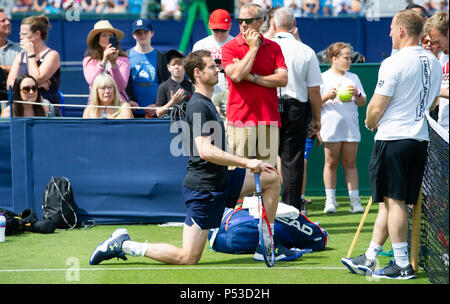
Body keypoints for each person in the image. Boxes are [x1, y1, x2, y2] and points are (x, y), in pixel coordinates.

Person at [89, 50, 302, 266]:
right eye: (211, 66)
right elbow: (205, 151)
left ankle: (266, 243)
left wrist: (252, 163)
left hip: (222, 180)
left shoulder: (208, 103)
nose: (217, 69)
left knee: (271, 178)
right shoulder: (199, 104)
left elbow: (223, 147)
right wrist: (247, 162)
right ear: (198, 73)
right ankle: (124, 245)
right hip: (205, 189)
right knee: (188, 257)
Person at [341, 9, 442, 280]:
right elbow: (432, 103)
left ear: (400, 31)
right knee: (390, 201)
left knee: (395, 202)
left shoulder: (394, 62)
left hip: (394, 138)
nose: (387, 33)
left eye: (391, 28)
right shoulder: (433, 61)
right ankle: (371, 256)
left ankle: (401, 264)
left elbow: (375, 107)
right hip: (418, 139)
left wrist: (370, 121)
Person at [221, 3, 288, 167]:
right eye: (240, 20)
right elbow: (236, 75)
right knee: (237, 173)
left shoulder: (274, 47)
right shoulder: (229, 47)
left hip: (268, 118)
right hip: (240, 118)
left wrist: (251, 77)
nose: (243, 25)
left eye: (249, 20)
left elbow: (283, 79)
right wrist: (253, 48)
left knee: (268, 173)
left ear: (260, 21)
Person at [271, 7, 322, 215]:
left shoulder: (265, 46)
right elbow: (314, 90)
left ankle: (266, 210)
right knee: (293, 162)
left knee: (264, 160)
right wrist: (317, 119)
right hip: (295, 109)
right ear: (294, 27)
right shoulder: (306, 50)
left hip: (269, 106)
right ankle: (291, 212)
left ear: (273, 25)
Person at [319, 42, 366, 214]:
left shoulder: (353, 78)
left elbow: (362, 102)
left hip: (350, 127)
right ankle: (330, 200)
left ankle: (355, 201)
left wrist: (357, 94)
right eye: (345, 57)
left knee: (351, 164)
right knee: (330, 163)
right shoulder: (323, 78)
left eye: (349, 57)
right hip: (330, 127)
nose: (349, 61)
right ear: (334, 59)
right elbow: (316, 102)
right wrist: (328, 96)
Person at [7, 15, 61, 108]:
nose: (21, 37)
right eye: (20, 34)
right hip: (20, 105)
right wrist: (38, 85)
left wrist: (31, 54)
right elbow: (10, 84)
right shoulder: (20, 56)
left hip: (44, 107)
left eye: (24, 34)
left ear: (37, 34)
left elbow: (36, 78)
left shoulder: (52, 55)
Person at [126, 18, 170, 117]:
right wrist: (128, 101)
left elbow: (167, 84)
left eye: (145, 32)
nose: (142, 36)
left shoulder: (161, 56)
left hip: (156, 113)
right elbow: (121, 85)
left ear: (152, 33)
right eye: (138, 33)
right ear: (133, 35)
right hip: (132, 112)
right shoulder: (126, 56)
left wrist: (159, 105)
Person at [83, 20, 131, 106]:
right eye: (104, 35)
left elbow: (121, 86)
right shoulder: (89, 61)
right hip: (96, 104)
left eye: (110, 35)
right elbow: (92, 82)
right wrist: (104, 61)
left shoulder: (123, 60)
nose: (108, 38)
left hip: (118, 104)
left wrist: (114, 65)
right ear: (97, 39)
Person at [192, 9, 234, 97]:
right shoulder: (200, 45)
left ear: (229, 26)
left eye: (223, 30)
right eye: (216, 30)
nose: (219, 34)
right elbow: (193, 73)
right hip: (207, 95)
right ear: (209, 26)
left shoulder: (237, 44)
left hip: (231, 95)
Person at [424, 11, 449, 131]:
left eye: (438, 42)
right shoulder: (443, 57)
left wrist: (434, 90)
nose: (436, 46)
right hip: (443, 128)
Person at [154, 49, 193, 118]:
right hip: (170, 125)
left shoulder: (192, 86)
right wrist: (172, 102)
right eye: (173, 64)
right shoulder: (163, 87)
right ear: (169, 67)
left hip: (188, 124)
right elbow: (158, 113)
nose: (176, 67)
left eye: (180, 64)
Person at [0, 9, 21, 76]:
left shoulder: (20, 48)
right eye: (3, 21)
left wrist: (3, 68)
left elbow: (27, 71)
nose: (8, 23)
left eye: (8, 20)